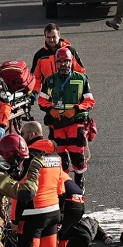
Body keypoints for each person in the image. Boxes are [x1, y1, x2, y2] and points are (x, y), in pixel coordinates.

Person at [11, 122, 67, 247]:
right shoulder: (55, 156)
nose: (22, 137)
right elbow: (61, 188)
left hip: (32, 215)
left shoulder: (29, 157)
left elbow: (21, 191)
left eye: (24, 134)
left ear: (33, 134)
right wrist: (60, 214)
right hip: (52, 211)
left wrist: (14, 220)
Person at [37, 47, 95, 185]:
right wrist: (50, 110)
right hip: (57, 123)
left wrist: (76, 109)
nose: (63, 64)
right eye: (60, 62)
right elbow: (41, 100)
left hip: (75, 122)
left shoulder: (81, 79)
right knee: (60, 155)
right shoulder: (50, 80)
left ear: (72, 62)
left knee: (77, 154)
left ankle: (79, 180)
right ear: (56, 63)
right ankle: (64, 182)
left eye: (66, 61)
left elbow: (90, 101)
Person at [30, 23, 85, 92]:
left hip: (69, 91)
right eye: (48, 37)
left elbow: (80, 72)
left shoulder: (70, 51)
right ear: (45, 37)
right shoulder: (39, 55)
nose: (51, 40)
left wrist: (82, 90)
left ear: (59, 36)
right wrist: (34, 92)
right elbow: (35, 77)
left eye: (54, 37)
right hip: (48, 93)